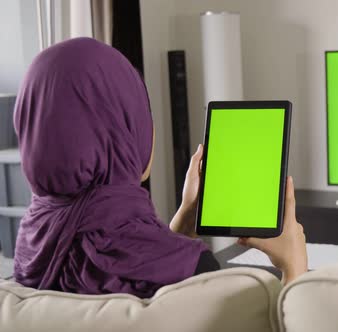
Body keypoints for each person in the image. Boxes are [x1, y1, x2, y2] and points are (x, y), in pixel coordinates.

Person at [12, 37, 307, 298]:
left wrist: (184, 221)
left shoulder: (28, 258)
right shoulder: (196, 273)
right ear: (128, 131)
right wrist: (294, 268)